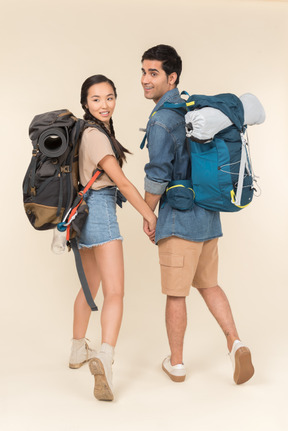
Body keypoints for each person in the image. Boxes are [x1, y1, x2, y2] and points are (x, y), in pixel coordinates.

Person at [140, 44, 254, 385]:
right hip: (208, 214)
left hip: (178, 218)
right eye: (143, 71)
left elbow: (158, 174)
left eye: (153, 73)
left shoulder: (162, 119)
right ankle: (236, 342)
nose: (145, 80)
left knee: (177, 293)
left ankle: (176, 364)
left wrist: (148, 213)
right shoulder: (195, 108)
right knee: (210, 284)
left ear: (171, 77)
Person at [68, 74, 157, 401]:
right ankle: (105, 358)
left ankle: (78, 349)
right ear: (85, 103)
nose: (104, 104)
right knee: (115, 292)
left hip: (82, 213)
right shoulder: (96, 137)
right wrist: (150, 215)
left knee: (90, 286)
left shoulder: (86, 133)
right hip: (100, 211)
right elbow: (122, 183)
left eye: (109, 97)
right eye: (96, 99)